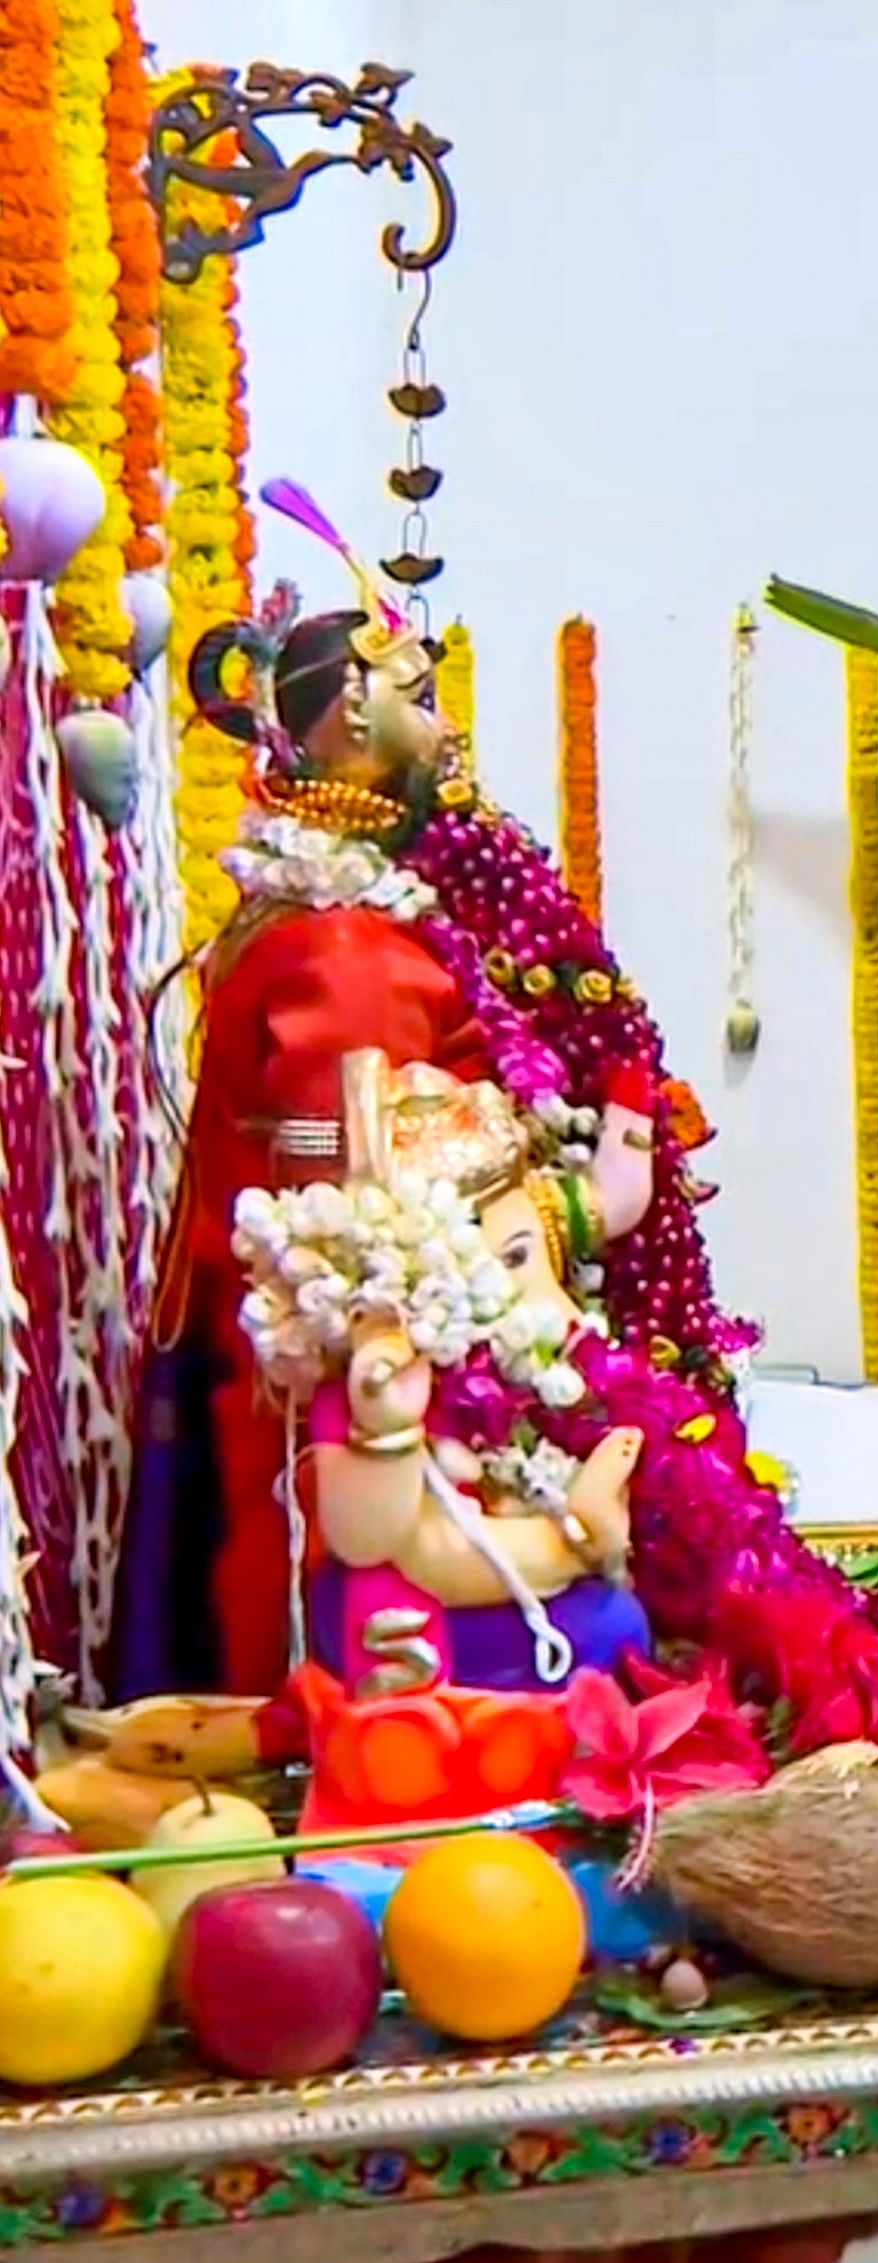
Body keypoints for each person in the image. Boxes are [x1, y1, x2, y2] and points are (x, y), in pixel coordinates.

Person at [134, 603, 490, 1697]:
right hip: (333, 1387)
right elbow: (362, 1198)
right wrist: (566, 1191)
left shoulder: (319, 927)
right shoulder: (344, 953)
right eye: (421, 700)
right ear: (350, 714)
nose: (446, 735)